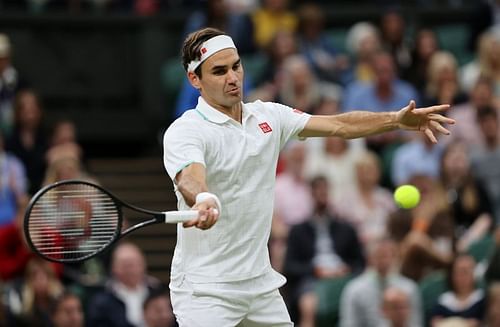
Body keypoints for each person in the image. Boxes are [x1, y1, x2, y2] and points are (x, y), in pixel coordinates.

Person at [162, 27, 454, 326]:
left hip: (259, 285)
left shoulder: (269, 116)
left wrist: (394, 120)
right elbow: (189, 176)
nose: (233, 78)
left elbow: (340, 125)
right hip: (205, 290)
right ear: (194, 79)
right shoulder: (187, 131)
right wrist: (203, 198)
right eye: (219, 71)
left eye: (236, 66)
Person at [283, 175, 365, 327]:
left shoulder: (346, 229)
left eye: (325, 191)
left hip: (344, 278)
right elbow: (290, 266)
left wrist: (346, 270)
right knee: (309, 304)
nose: (322, 195)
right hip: (312, 280)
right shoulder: (298, 230)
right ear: (311, 194)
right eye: (318, 191)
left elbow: (360, 263)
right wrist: (316, 271)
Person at [339, 237, 423, 327]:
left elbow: (415, 323)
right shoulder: (354, 289)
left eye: (388, 256)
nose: (384, 261)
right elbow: (349, 324)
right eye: (379, 256)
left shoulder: (409, 288)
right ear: (369, 258)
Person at [86, 242, 163, 327]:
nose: (131, 270)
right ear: (114, 268)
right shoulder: (102, 301)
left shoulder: (157, 292)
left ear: (144, 265)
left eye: (135, 264)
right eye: (126, 265)